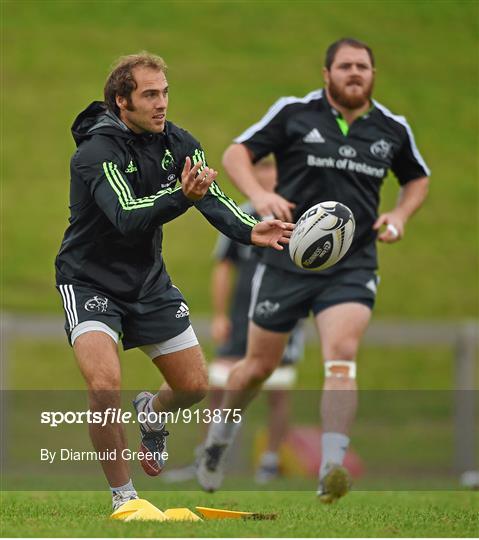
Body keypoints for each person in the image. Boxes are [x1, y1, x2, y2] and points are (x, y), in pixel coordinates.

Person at [54, 52, 293, 512]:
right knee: (104, 386)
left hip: (148, 284)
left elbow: (215, 200)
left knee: (194, 386)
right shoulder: (94, 153)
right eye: (149, 95)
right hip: (88, 284)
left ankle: (152, 414)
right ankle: (124, 498)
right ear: (122, 101)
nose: (161, 103)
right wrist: (181, 197)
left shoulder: (181, 143)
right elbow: (125, 217)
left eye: (164, 92)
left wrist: (249, 230)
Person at [196, 38, 430, 502]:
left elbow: (417, 178)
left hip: (353, 263)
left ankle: (331, 467)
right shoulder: (294, 113)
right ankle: (216, 445)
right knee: (257, 369)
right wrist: (259, 196)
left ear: (373, 74)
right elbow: (235, 155)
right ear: (327, 74)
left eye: (363, 66)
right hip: (286, 258)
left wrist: (400, 216)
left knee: (341, 354)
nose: (355, 73)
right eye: (345, 66)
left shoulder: (393, 129)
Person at [162, 160, 305, 485]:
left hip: (282, 316)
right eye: (263, 171)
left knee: (277, 391)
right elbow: (224, 267)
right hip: (241, 319)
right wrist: (221, 315)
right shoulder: (241, 213)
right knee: (216, 386)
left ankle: (270, 461)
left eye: (274, 171)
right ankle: (206, 456)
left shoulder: (299, 218)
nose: (269, 177)